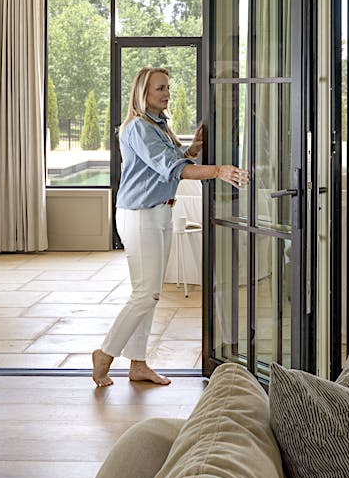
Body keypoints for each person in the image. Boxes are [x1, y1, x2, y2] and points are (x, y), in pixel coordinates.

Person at [92, 67, 248, 387]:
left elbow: (174, 158)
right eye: (160, 88)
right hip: (140, 215)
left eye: (167, 88)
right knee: (145, 293)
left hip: (159, 214)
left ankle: (138, 364)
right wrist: (218, 170)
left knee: (149, 295)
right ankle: (105, 354)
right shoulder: (139, 127)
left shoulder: (158, 125)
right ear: (143, 93)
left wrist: (193, 149)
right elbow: (171, 168)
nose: (167, 93)